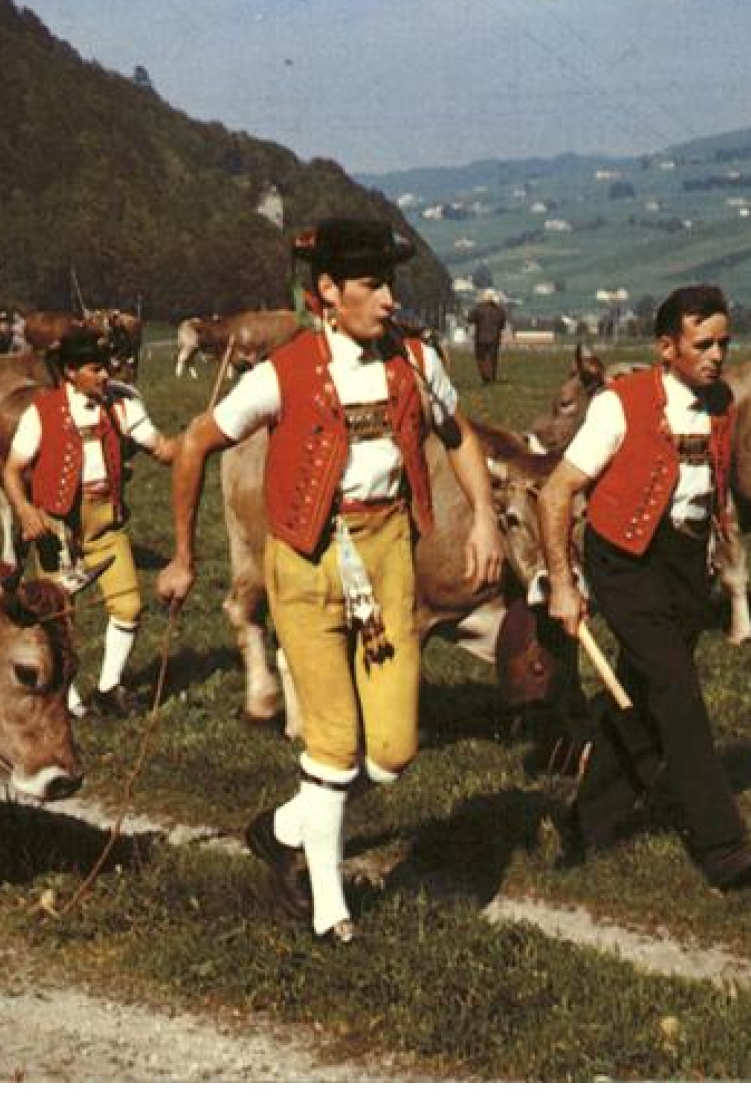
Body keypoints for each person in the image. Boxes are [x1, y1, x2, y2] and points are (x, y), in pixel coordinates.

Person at [157, 218, 504, 943]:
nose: (387, 300)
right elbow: (194, 443)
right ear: (326, 293)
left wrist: (484, 520)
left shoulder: (415, 360)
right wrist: (184, 555)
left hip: (386, 557)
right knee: (333, 742)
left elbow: (458, 435)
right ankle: (327, 906)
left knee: (391, 753)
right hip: (307, 558)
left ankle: (281, 828)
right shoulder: (282, 372)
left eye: (389, 284)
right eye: (371, 285)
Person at [536, 284, 751, 891]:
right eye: (702, 345)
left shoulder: (723, 403)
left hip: (686, 564)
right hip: (624, 560)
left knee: (640, 687)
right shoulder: (620, 403)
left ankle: (586, 822)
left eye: (723, 343)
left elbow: (711, 489)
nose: (716, 356)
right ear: (666, 348)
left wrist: (718, 553)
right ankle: (723, 846)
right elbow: (557, 491)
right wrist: (563, 584)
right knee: (678, 694)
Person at [4, 327, 176, 718]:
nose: (105, 375)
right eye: (96, 368)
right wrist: (26, 512)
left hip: (106, 523)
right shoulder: (42, 412)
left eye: (106, 367)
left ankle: (108, 687)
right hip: (56, 527)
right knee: (58, 617)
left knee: (129, 607)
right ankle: (63, 696)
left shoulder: (122, 406)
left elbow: (164, 450)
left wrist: (199, 439)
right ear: (69, 372)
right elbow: (14, 471)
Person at [466, 289, 509, 385]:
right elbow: (502, 325)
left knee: (481, 358)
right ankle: (492, 377)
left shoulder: (478, 309)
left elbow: (470, 319)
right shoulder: (500, 311)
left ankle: (486, 377)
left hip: (481, 338)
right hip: (495, 338)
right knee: (493, 358)